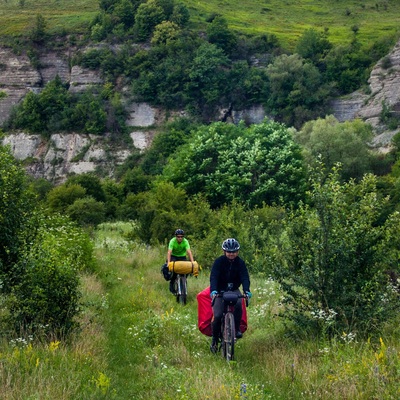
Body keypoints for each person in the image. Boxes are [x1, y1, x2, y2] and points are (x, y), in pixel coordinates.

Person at [209, 238, 251, 353]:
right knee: (217, 315)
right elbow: (214, 277)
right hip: (219, 290)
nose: (231, 254)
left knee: (238, 304)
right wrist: (213, 291)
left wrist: (246, 291)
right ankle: (214, 340)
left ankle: (236, 329)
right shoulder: (219, 262)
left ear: (237, 252)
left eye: (234, 252)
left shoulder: (240, 263)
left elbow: (245, 277)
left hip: (234, 290)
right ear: (224, 251)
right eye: (229, 252)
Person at [167, 229, 194, 294]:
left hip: (182, 257)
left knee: (187, 269)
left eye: (181, 237)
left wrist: (192, 262)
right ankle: (172, 283)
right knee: (174, 270)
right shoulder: (172, 241)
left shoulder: (185, 241)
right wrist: (168, 262)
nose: (180, 238)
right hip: (174, 256)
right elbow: (169, 252)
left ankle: (183, 281)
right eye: (178, 237)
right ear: (176, 237)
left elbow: (189, 252)